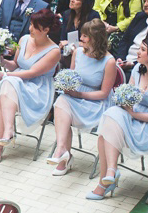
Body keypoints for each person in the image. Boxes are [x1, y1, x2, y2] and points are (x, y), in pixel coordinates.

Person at [89, 36, 148, 199]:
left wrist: (132, 114)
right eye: (139, 48)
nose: (138, 52)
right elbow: (128, 95)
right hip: (135, 116)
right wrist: (124, 103)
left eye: (143, 49)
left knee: (106, 131)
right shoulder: (139, 68)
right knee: (110, 117)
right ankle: (110, 172)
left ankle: (106, 181)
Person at [0, 9, 61, 165]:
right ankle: (7, 132)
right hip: (16, 82)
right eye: (30, 24)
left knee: (7, 84)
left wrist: (6, 76)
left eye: (34, 26)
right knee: (7, 86)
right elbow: (15, 65)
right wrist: (2, 61)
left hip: (37, 88)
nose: (30, 29)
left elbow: (32, 73)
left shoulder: (54, 51)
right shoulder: (24, 40)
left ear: (46, 30)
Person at [48, 19, 116, 175]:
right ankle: (62, 151)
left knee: (63, 109)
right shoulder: (78, 52)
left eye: (85, 36)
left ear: (95, 38)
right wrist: (66, 86)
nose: (81, 38)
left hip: (95, 103)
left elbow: (104, 93)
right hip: (74, 97)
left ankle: (63, 155)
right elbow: (71, 76)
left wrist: (78, 94)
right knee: (61, 102)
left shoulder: (109, 61)